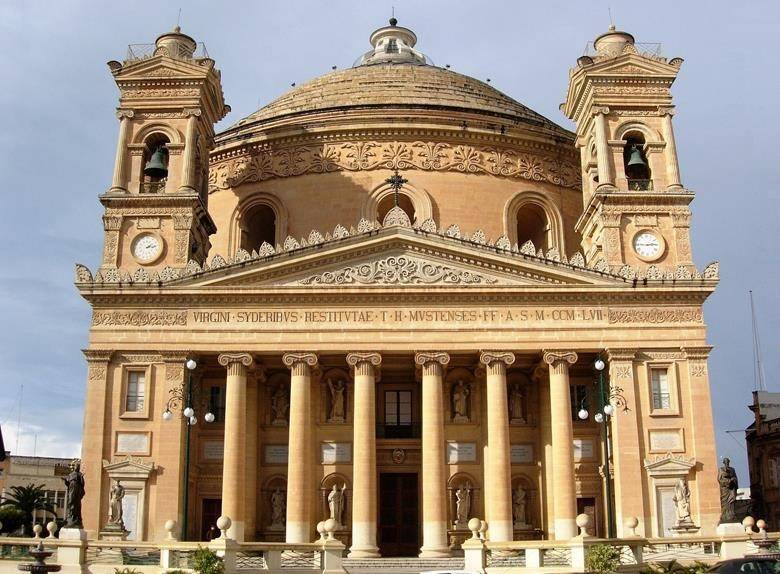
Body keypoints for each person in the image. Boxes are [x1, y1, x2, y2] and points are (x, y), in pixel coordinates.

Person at [62, 459, 85, 529]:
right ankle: (70, 517)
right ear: (74, 468)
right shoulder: (70, 475)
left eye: (78, 467)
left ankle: (75, 518)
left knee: (76, 503)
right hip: (71, 489)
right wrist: (65, 481)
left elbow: (82, 484)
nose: (77, 468)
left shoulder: (80, 474)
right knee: (70, 502)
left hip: (77, 490)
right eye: (76, 466)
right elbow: (68, 483)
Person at [718, 458, 739, 523]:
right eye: (725, 462)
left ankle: (732, 515)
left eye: (727, 462)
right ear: (724, 462)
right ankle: (725, 516)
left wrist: (733, 480)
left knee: (732, 500)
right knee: (725, 502)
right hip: (725, 489)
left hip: (731, 488)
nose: (727, 463)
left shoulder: (732, 469)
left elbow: (735, 478)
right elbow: (719, 479)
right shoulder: (721, 469)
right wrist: (728, 481)